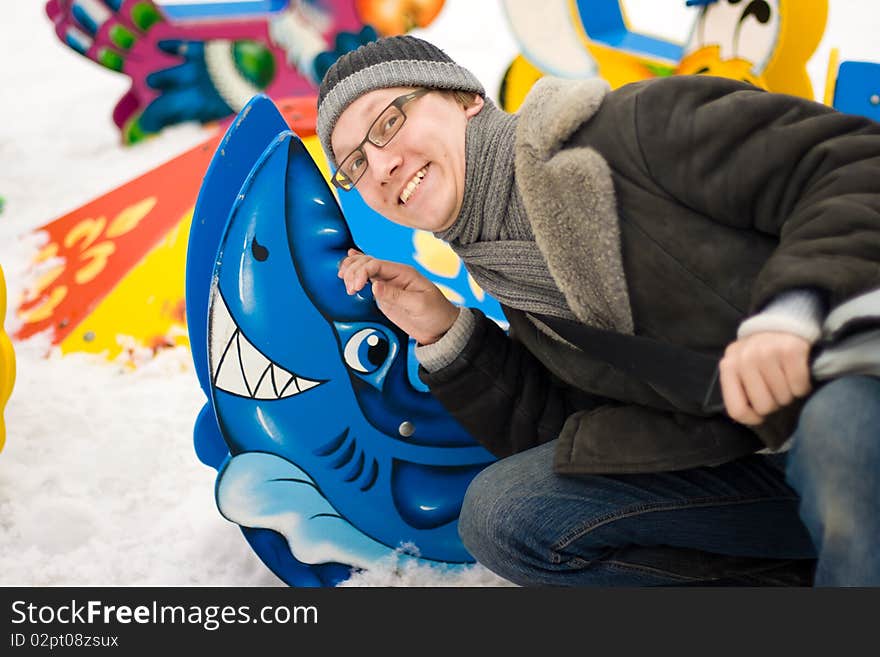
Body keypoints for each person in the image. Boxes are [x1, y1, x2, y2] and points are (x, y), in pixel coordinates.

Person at [317, 36, 880, 586]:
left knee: (841, 427)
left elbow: (850, 163)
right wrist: (445, 331)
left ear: (466, 99)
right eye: (354, 164)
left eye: (387, 121)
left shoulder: (629, 130)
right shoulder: (503, 270)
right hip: (767, 464)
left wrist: (791, 311)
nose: (381, 166)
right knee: (504, 516)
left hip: (852, 393)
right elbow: (573, 435)